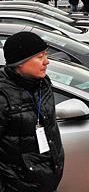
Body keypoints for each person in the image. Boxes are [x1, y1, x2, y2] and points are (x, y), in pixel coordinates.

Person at [0, 32, 65, 191]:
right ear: (20, 62)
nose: (47, 62)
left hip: (47, 182)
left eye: (46, 55)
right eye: (39, 57)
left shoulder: (43, 83)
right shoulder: (3, 96)